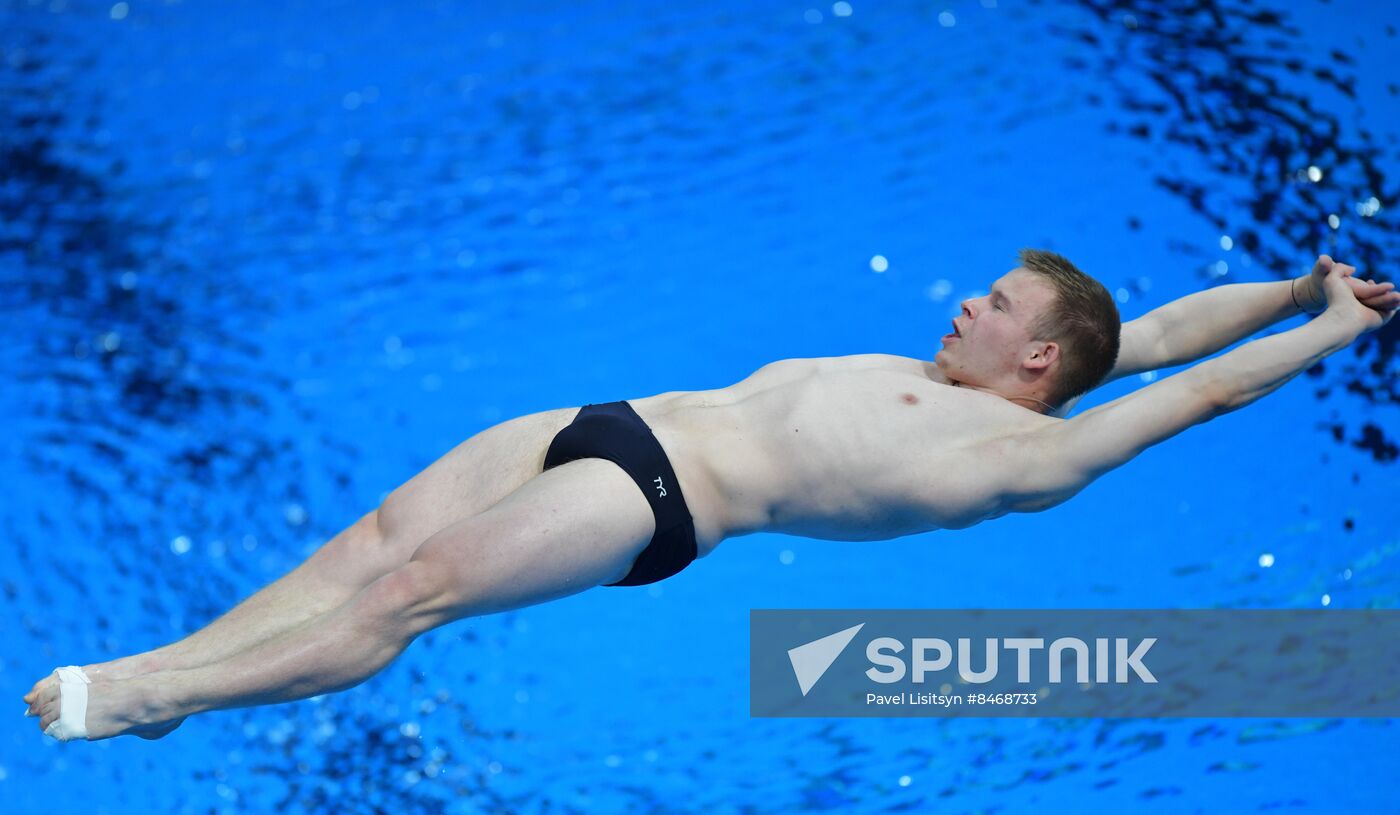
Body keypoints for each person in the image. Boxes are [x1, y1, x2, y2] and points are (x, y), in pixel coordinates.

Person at [25, 250, 1397, 741]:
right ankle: (172, 669)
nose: (963, 302)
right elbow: (1155, 337)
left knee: (410, 593)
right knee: (368, 542)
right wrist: (1292, 288)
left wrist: (1337, 334)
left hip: (659, 503)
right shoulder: (996, 376)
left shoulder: (1028, 452)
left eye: (993, 303)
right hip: (608, 420)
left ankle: (155, 700)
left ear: (1036, 360)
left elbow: (1193, 389)